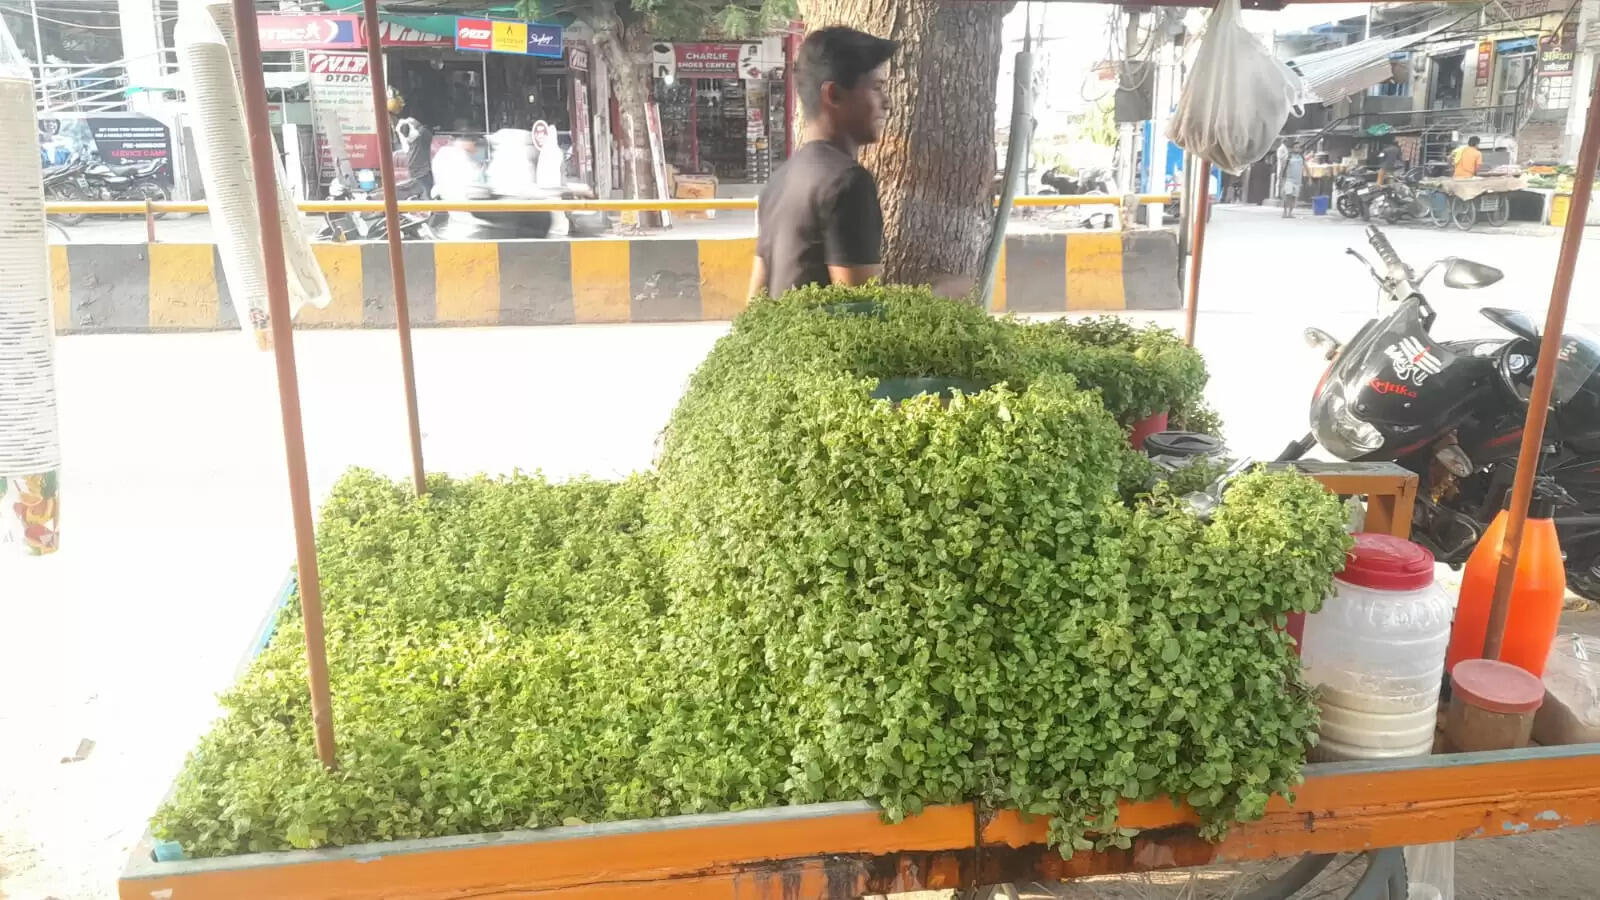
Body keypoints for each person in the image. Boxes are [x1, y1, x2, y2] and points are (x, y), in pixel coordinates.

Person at [748, 26, 895, 299]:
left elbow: (754, 303)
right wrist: (939, 298)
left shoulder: (779, 181)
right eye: (876, 88)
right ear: (834, 95)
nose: (886, 103)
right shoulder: (848, 182)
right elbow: (859, 309)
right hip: (822, 331)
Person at [388, 96, 434, 198]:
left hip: (418, 165)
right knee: (425, 189)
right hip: (419, 165)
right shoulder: (410, 124)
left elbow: (410, 134)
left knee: (424, 189)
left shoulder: (405, 125)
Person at [1281, 144, 1304, 218]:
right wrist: (1282, 178)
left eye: (1298, 148)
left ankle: (1290, 213)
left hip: (1298, 181)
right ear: (1293, 149)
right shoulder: (1289, 157)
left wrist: (1310, 177)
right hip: (1289, 180)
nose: (1297, 149)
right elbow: (1284, 167)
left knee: (1294, 197)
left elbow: (1306, 166)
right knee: (1288, 196)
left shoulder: (1301, 157)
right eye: (1296, 147)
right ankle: (1284, 212)